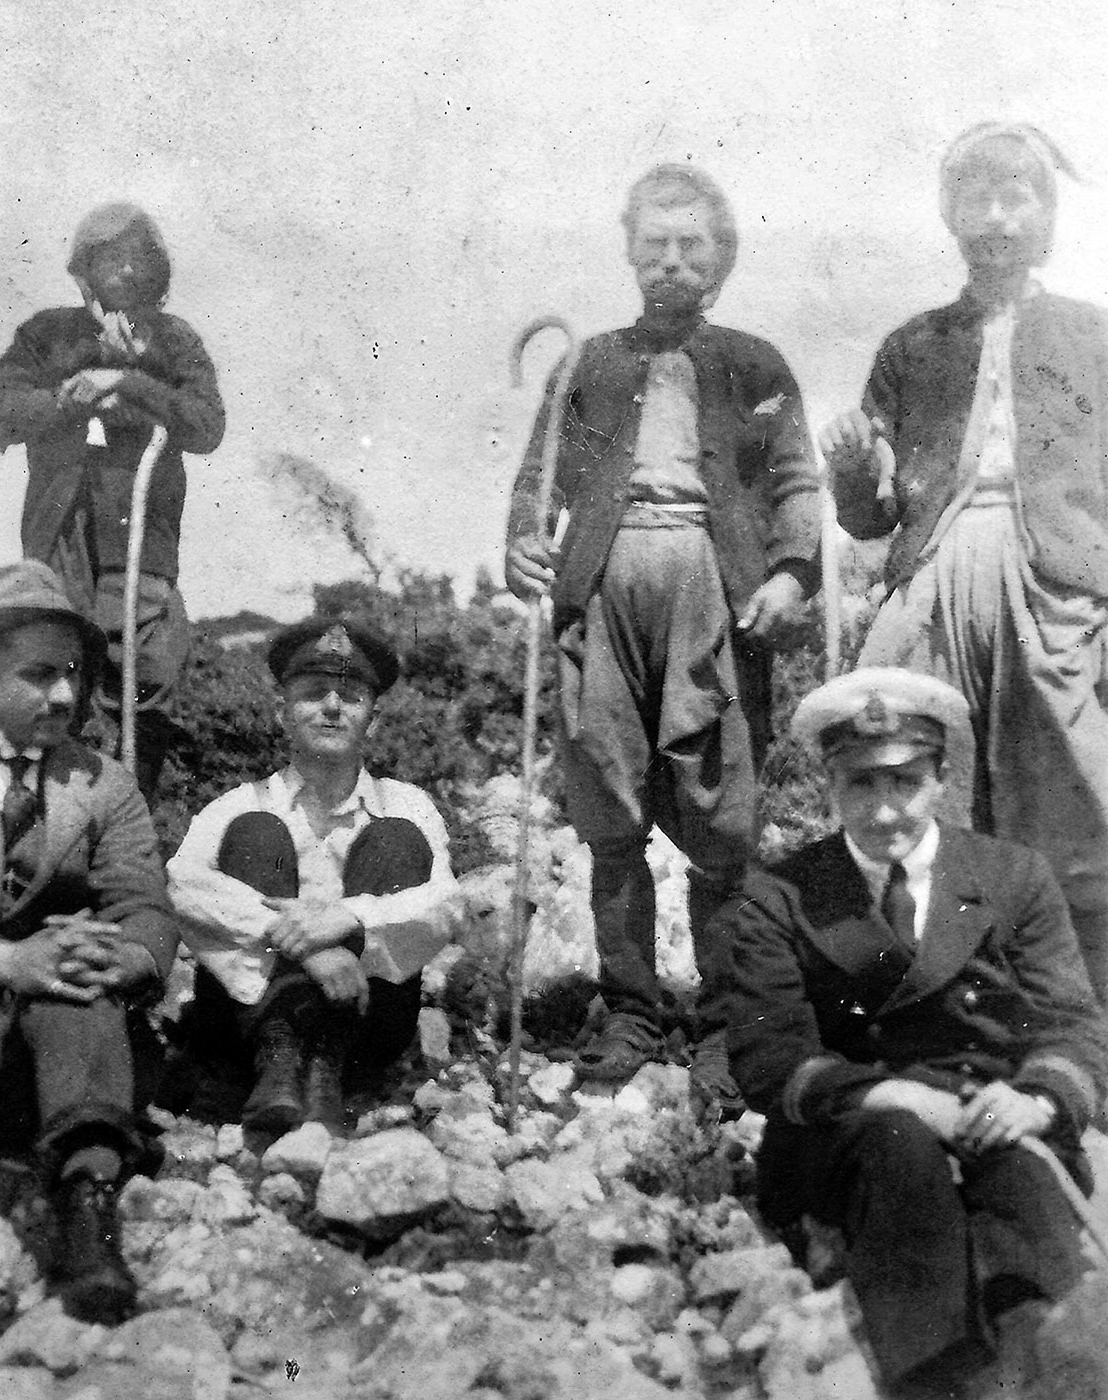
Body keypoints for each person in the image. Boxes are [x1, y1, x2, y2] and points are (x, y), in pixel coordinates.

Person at [504, 162, 820, 1103]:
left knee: (722, 814)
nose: (671, 263)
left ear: (721, 260)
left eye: (691, 247)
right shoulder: (587, 362)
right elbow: (537, 480)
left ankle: (726, 1026)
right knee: (607, 804)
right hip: (599, 588)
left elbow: (798, 481)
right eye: (654, 247)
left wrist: (793, 572)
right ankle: (634, 1011)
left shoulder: (755, 365)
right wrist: (523, 544)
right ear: (631, 256)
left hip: (711, 589)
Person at [724, 667, 1108, 1395]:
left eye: (904, 782)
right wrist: (892, 1096)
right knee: (898, 1154)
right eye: (860, 784)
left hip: (993, 1107)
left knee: (1033, 1212)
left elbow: (1071, 1021)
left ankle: (1052, 1365)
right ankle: (936, 1378)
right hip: (856, 1129)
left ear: (940, 780)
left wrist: (1040, 1100)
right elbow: (769, 1057)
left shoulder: (1012, 876)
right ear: (829, 787)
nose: (884, 810)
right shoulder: (781, 894)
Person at [820, 122, 1108, 1006]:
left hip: (1054, 578)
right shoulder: (915, 347)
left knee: (1072, 778)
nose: (996, 217)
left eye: (1015, 195)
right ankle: (941, 994)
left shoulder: (1092, 336)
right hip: (939, 569)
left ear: (1047, 216)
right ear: (951, 217)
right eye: (976, 199)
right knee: (904, 743)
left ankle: (1080, 1006)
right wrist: (848, 468)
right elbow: (871, 516)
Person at [0, 562, 181, 1323]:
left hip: (62, 1043)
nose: (64, 696)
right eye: (38, 675)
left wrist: (129, 954)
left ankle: (86, 1224)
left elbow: (144, 904)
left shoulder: (104, 782)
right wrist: (5, 960)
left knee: (80, 996)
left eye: (71, 674)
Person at [166, 616, 456, 1135]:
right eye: (313, 692)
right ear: (283, 712)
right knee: (257, 835)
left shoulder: (408, 806)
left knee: (395, 841)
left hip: (366, 1024)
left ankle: (325, 1067)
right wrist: (309, 948)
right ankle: (279, 1059)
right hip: (247, 1029)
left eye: (349, 695)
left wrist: (348, 920)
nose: (331, 706)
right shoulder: (239, 805)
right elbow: (183, 889)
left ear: (375, 718)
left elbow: (443, 905)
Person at [0, 202, 227, 801]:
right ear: (85, 267)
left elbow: (206, 425)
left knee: (148, 671)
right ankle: (49, 824)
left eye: (138, 258)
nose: (124, 270)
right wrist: (71, 399)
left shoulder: (172, 338)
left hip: (140, 537)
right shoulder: (46, 334)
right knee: (55, 674)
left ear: (155, 271)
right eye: (110, 257)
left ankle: (127, 819)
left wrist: (131, 381)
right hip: (59, 536)